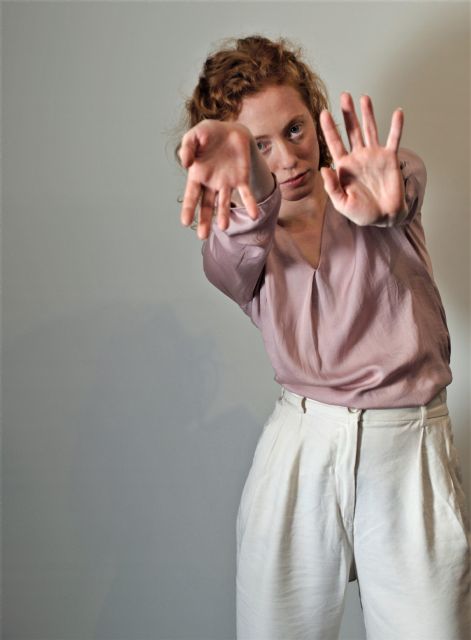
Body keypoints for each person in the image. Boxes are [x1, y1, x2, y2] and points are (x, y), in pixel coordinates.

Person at [176, 35, 471, 640]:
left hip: (409, 447)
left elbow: (403, 179)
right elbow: (227, 258)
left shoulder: (374, 182)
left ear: (315, 119)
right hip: (304, 449)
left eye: (293, 129)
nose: (287, 158)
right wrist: (251, 191)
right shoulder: (242, 245)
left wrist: (386, 207)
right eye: (258, 145)